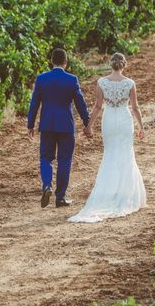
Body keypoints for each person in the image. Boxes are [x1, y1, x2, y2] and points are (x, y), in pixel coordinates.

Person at [68, 53, 146, 223]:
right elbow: (135, 107)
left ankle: (109, 192)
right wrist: (141, 126)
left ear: (111, 65)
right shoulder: (129, 83)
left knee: (110, 154)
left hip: (109, 120)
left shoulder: (102, 82)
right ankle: (125, 194)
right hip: (125, 121)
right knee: (126, 154)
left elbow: (97, 107)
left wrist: (89, 125)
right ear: (124, 65)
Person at [27, 48, 91, 208]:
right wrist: (87, 121)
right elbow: (80, 103)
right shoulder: (72, 80)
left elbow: (34, 103)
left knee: (45, 158)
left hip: (47, 124)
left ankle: (47, 185)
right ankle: (60, 197)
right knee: (64, 160)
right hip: (66, 125)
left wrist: (30, 124)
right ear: (65, 62)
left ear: (51, 61)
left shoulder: (42, 79)